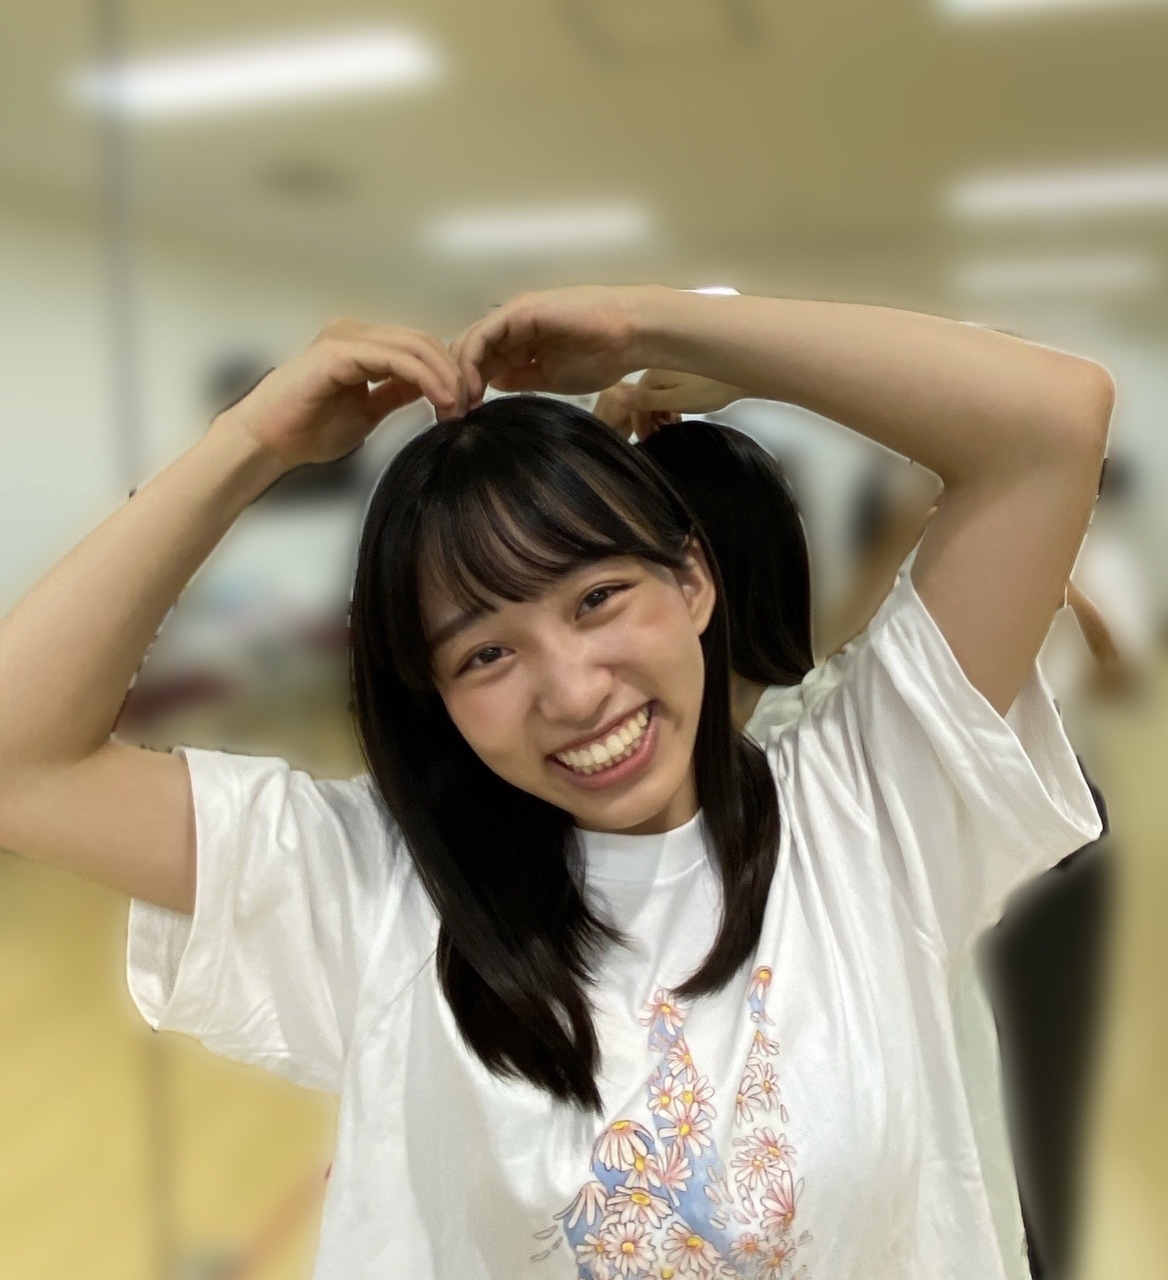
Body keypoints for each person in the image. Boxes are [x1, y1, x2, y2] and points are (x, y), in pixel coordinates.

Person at [0, 287, 1113, 1280]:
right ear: (433, 694)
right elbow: (20, 764)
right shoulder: (376, 886)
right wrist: (247, 443)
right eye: (486, 652)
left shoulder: (866, 803)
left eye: (596, 600)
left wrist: (652, 324)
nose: (574, 693)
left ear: (692, 581)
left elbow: (1053, 421)